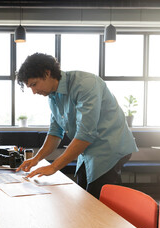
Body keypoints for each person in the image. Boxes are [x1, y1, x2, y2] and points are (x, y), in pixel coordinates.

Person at [16, 53, 138, 199]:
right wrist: (37, 158)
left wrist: (54, 166)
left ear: (47, 73)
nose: (34, 92)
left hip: (109, 147)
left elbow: (85, 134)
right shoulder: (53, 97)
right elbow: (55, 132)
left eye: (34, 84)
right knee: (82, 197)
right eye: (30, 87)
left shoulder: (85, 84)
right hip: (87, 150)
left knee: (97, 202)